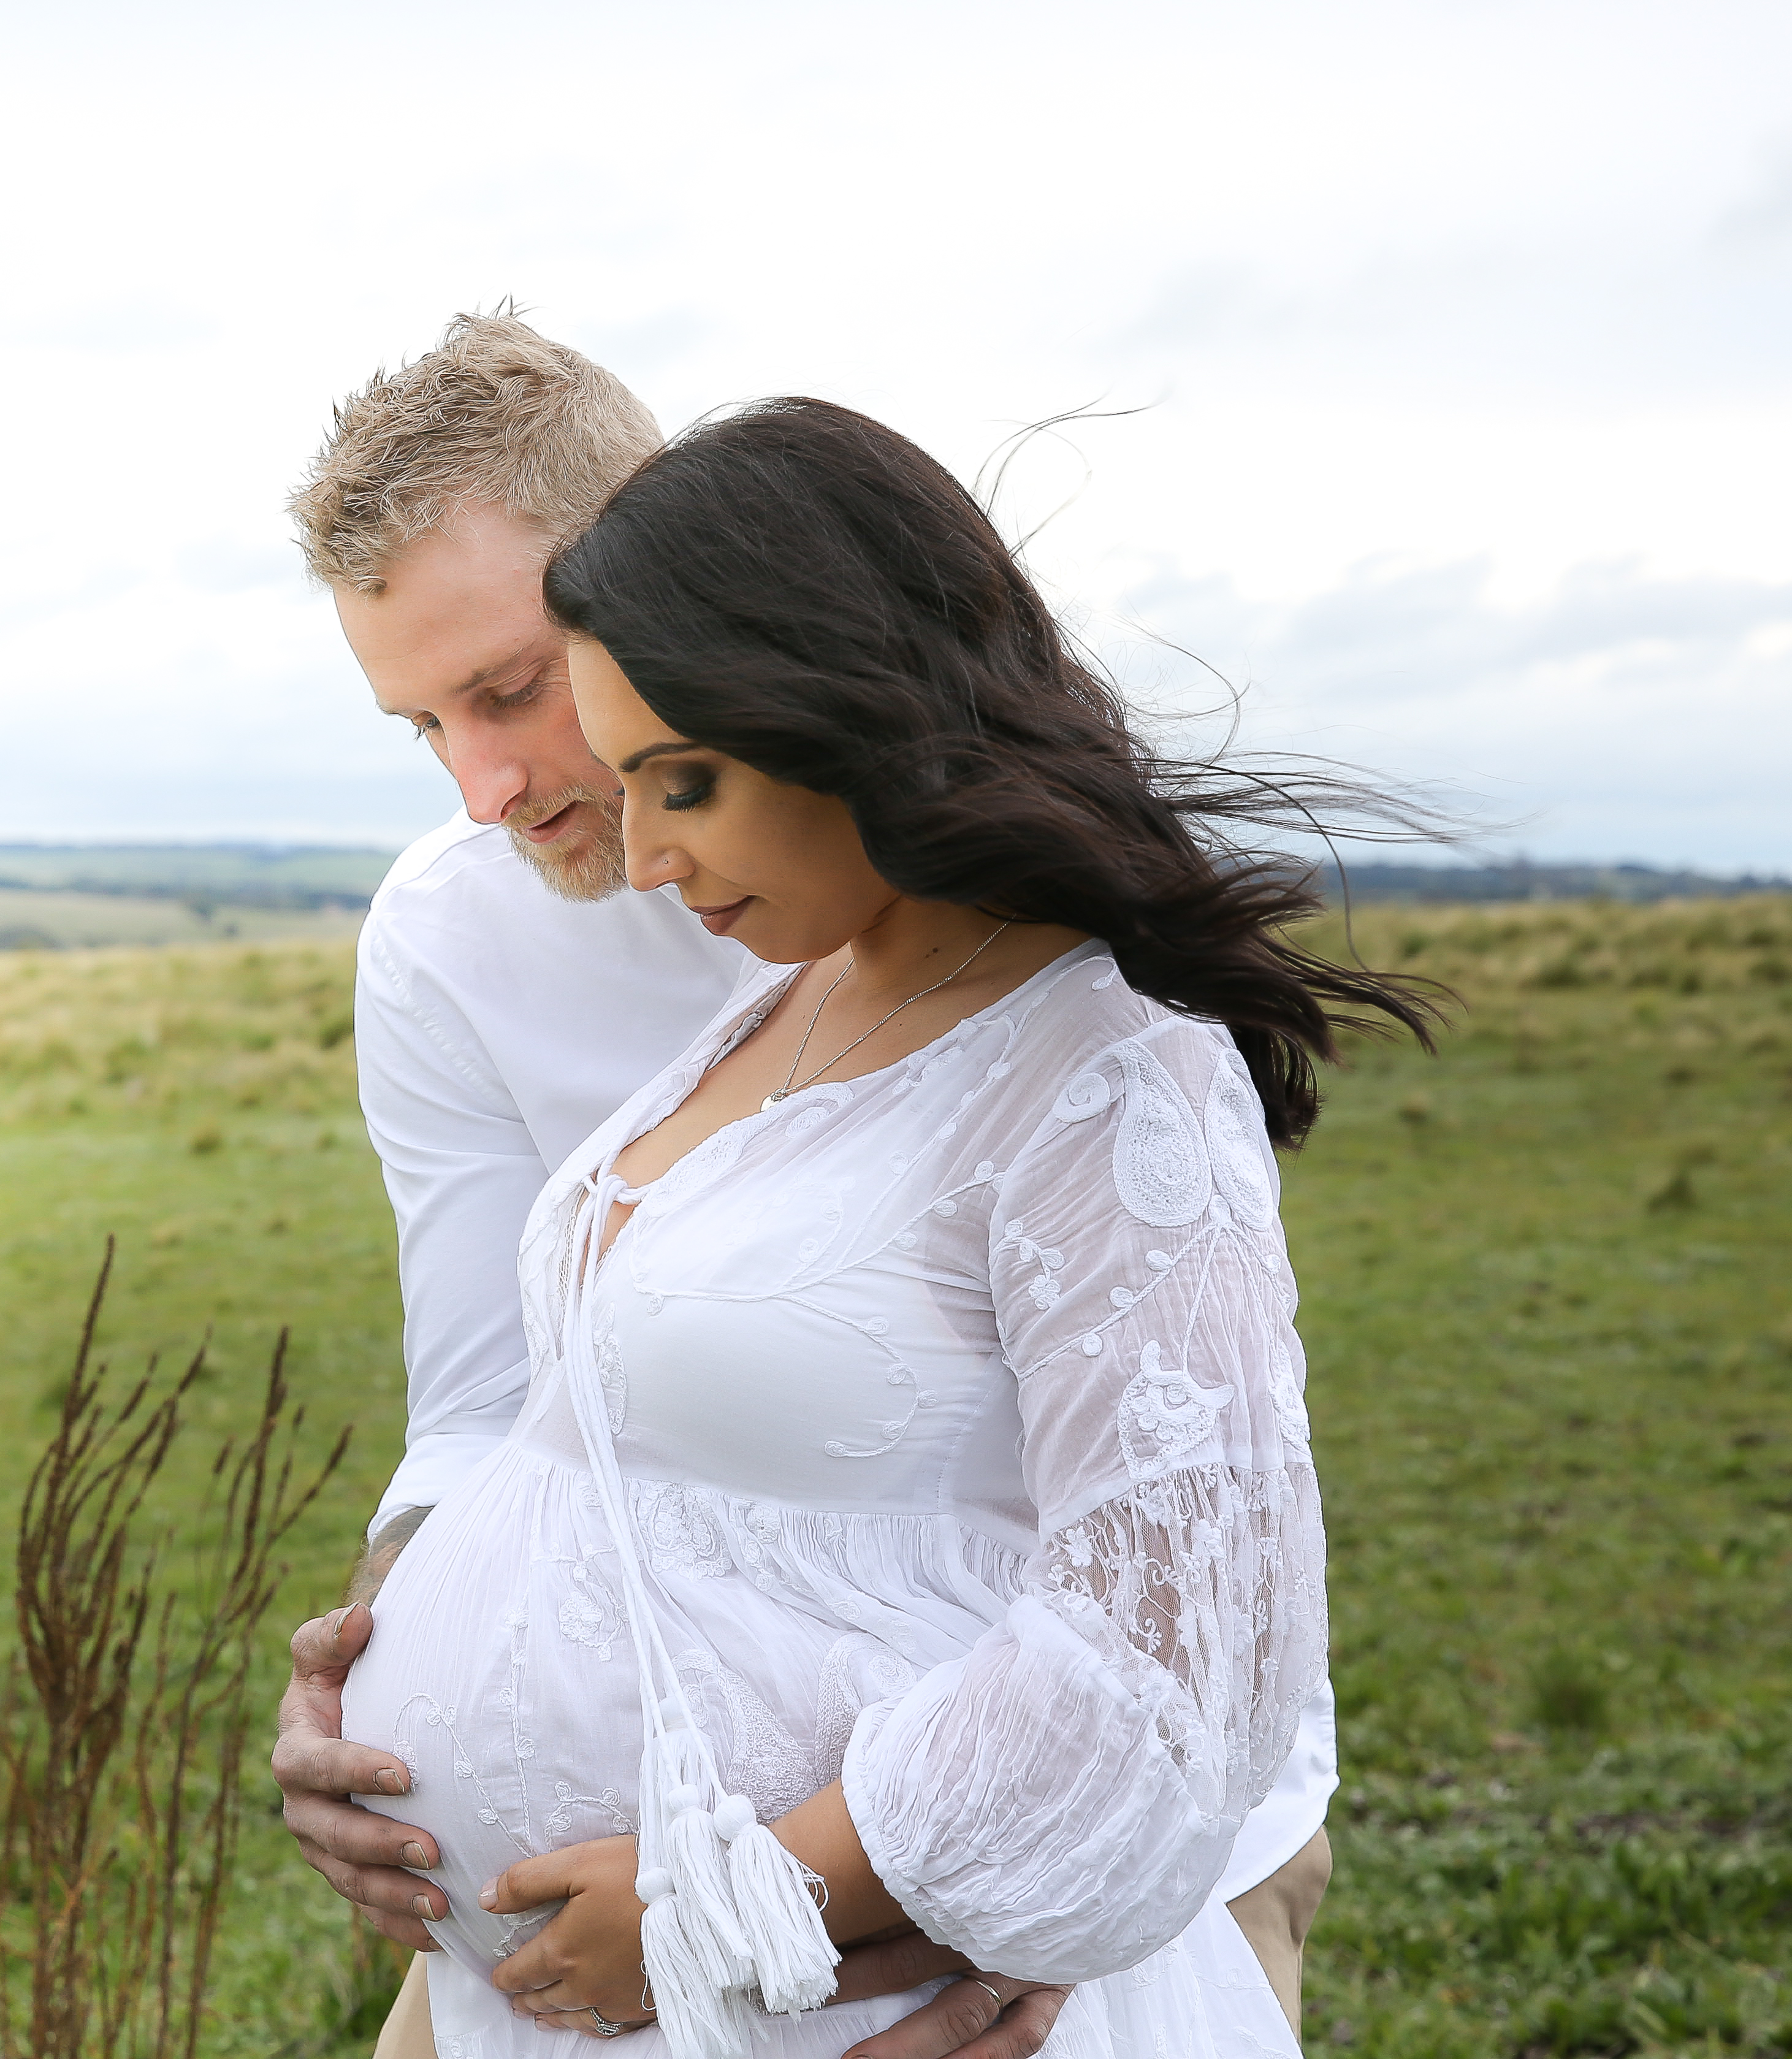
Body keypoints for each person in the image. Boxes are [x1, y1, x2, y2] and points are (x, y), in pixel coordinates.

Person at [272, 317, 1344, 2055]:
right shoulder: (472, 935)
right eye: (422, 729)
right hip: (580, 1941)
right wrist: (363, 1681)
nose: (487, 789)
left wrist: (966, 1913)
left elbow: (1153, 1580)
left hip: (1002, 1919)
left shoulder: (1057, 1003)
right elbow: (492, 1412)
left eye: (509, 689)